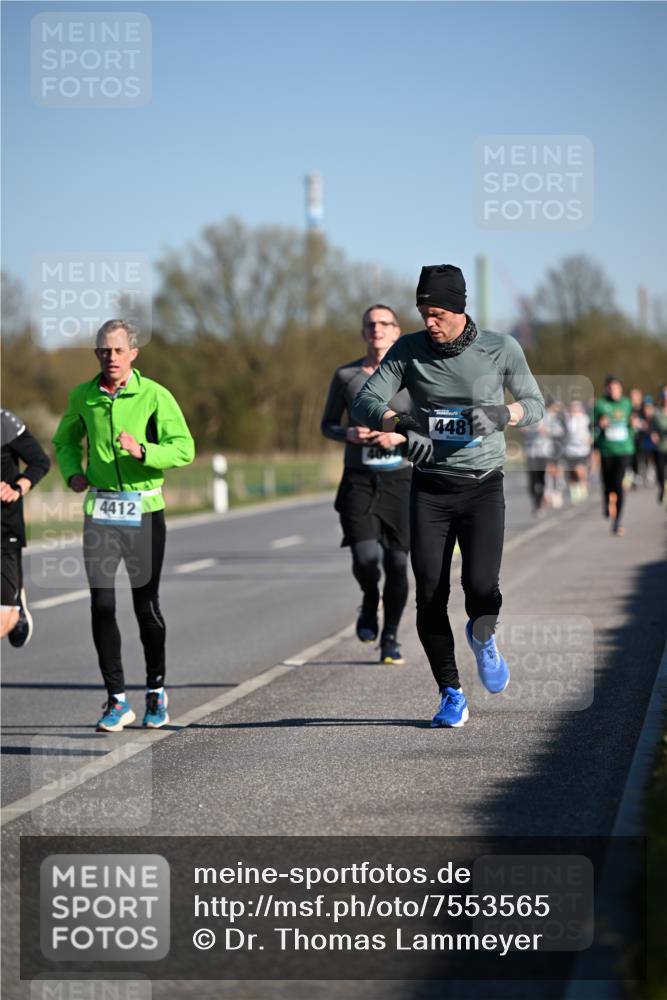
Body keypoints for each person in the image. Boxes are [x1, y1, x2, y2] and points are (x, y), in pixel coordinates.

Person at [352, 265, 544, 727]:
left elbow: (535, 405)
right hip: (431, 489)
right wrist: (402, 424)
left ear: (459, 309)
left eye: (437, 313)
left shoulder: (501, 348)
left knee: (480, 587)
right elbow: (365, 400)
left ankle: (484, 637)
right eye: (423, 313)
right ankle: (451, 693)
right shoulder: (409, 350)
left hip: (482, 487)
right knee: (430, 592)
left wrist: (502, 412)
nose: (429, 322)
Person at [53, 319, 195, 732]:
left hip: (145, 511)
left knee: (145, 606)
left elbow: (184, 448)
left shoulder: (154, 395)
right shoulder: (83, 396)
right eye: (102, 350)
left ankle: (156, 691)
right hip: (100, 511)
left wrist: (142, 450)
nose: (110, 357)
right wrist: (71, 472)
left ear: (133, 353)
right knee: (101, 604)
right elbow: (63, 441)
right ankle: (116, 699)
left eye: (117, 350)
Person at [321, 305, 411, 663]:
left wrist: (399, 438)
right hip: (358, 480)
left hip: (401, 481)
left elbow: (428, 423)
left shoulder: (415, 375)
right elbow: (327, 424)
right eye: (370, 324)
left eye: (384, 324)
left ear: (396, 332)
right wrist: (349, 433)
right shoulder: (346, 376)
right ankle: (370, 598)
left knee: (398, 565)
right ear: (363, 332)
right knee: (366, 559)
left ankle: (390, 638)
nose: (377, 329)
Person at [1, 410, 50, 644]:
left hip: (4, 528)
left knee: (6, 616)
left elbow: (40, 462)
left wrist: (17, 488)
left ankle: (14, 606)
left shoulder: (5, 423)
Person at [592, 376, 636, 536]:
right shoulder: (601, 405)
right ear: (606, 389)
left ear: (621, 389)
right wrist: (598, 424)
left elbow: (632, 424)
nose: (613, 391)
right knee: (607, 483)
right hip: (606, 449)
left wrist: (633, 424)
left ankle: (617, 521)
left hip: (624, 449)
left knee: (618, 484)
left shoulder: (627, 403)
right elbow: (591, 425)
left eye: (616, 388)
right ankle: (606, 503)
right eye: (610, 388)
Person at [564, 400, 592, 503]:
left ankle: (583, 485)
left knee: (580, 469)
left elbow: (591, 430)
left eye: (576, 408)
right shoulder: (566, 420)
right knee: (571, 472)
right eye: (572, 408)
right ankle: (575, 492)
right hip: (569, 450)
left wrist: (589, 439)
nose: (574, 410)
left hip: (582, 450)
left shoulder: (585, 419)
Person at [650, 385, 667, 505]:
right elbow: (652, 427)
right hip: (661, 447)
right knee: (660, 472)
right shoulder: (656, 412)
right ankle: (662, 488)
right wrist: (653, 433)